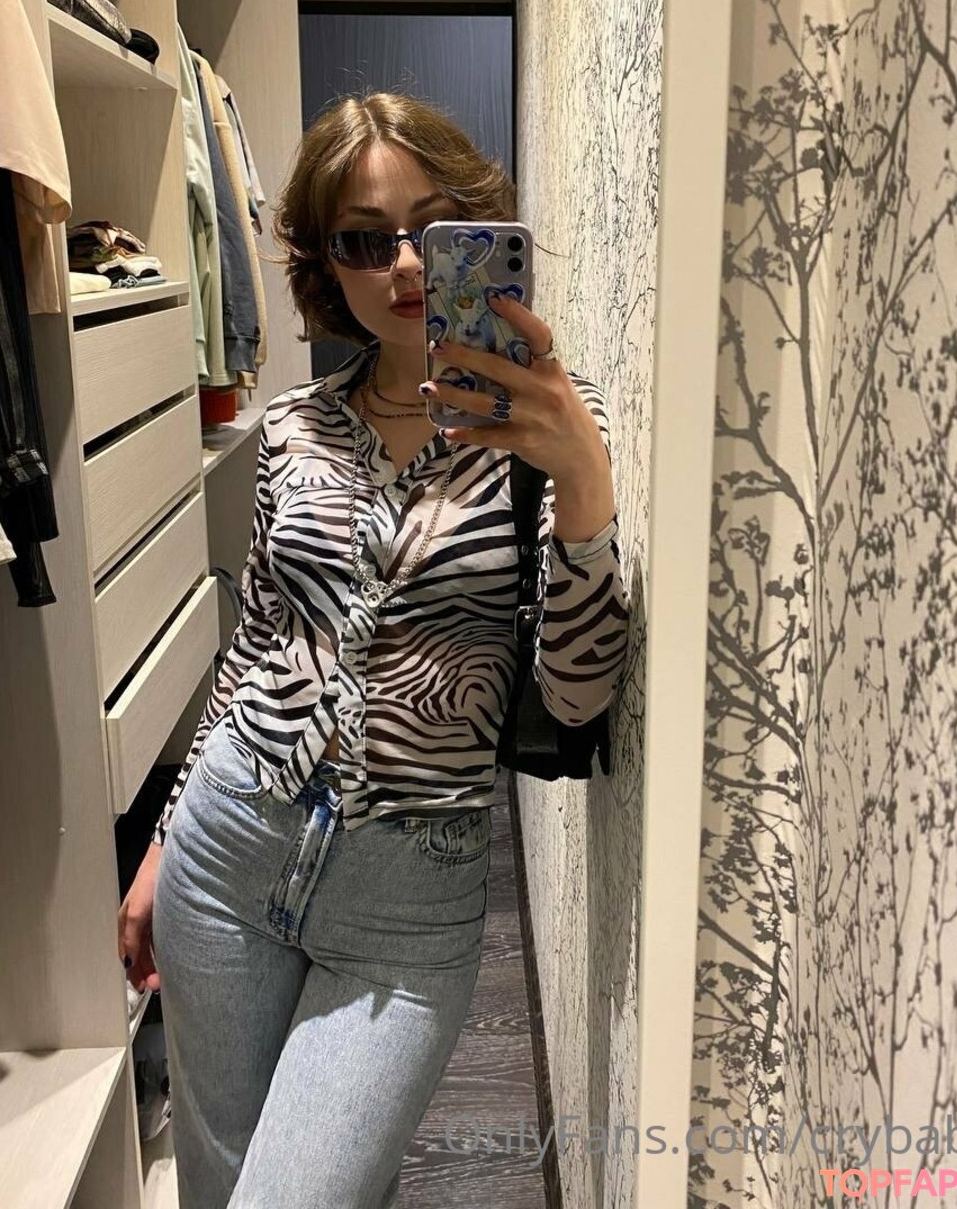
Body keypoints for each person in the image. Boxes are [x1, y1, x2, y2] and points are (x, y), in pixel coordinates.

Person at [117, 92, 630, 1208]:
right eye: (363, 238)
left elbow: (577, 695)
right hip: (225, 850)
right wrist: (161, 844)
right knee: (217, 1186)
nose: (401, 263)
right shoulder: (294, 426)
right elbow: (257, 643)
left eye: (431, 230)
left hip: (410, 903)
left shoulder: (547, 427)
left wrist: (585, 482)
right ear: (324, 262)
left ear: (480, 230)